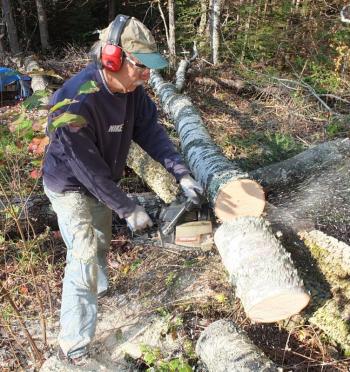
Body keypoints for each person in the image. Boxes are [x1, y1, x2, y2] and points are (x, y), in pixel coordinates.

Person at [42, 14, 203, 365]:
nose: (147, 74)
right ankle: (74, 346)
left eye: (150, 68)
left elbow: (152, 132)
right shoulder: (76, 101)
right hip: (69, 185)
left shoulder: (133, 93)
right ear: (112, 58)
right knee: (83, 254)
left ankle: (100, 290)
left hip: (101, 182)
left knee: (99, 239)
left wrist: (182, 174)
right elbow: (86, 169)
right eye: (141, 66)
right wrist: (129, 208)